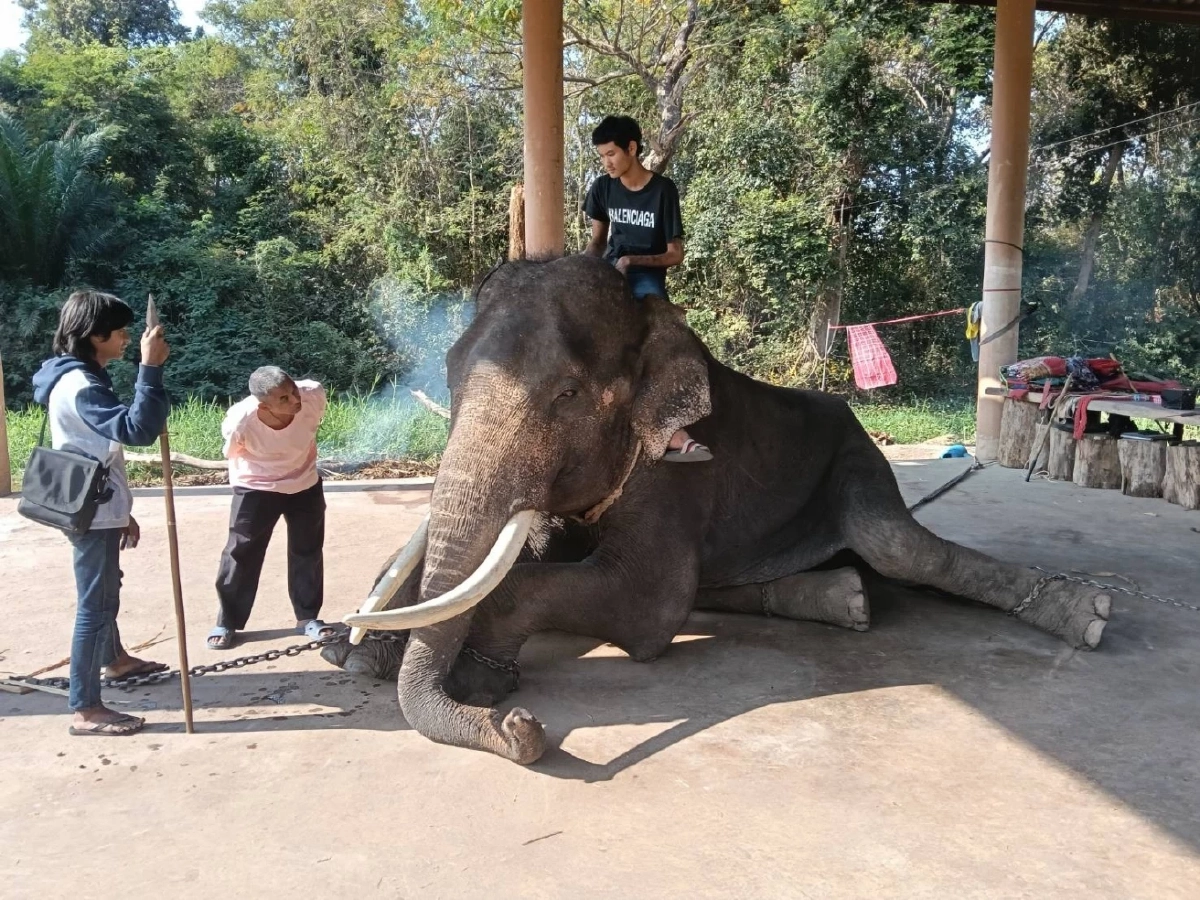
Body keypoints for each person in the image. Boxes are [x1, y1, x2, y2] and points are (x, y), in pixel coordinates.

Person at [31, 290, 172, 736]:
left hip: (96, 504)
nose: (129, 338)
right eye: (122, 331)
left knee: (107, 587)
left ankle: (114, 660)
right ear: (96, 335)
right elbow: (137, 430)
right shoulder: (83, 386)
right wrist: (150, 368)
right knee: (96, 604)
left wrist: (121, 510)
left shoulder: (79, 374)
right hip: (91, 510)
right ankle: (86, 708)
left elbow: (99, 447)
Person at [583, 113, 712, 462]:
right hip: (609, 273)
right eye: (601, 157)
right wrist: (579, 272)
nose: (606, 162)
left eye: (611, 154)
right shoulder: (602, 188)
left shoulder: (663, 191)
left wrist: (633, 262)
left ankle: (671, 430)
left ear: (632, 148)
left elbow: (675, 254)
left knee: (659, 340)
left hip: (645, 275)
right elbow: (596, 244)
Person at [207, 366, 336, 650]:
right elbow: (234, 453)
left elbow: (310, 423)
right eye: (284, 400)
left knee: (308, 550)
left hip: (304, 482)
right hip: (256, 487)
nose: (295, 401)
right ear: (264, 405)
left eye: (293, 391)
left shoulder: (312, 394)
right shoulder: (241, 421)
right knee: (241, 552)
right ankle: (227, 621)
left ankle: (308, 618)